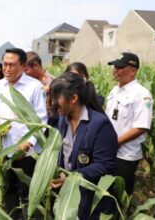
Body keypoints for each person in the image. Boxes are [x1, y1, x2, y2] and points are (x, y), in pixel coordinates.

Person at [0, 48, 47, 218]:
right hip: (5, 152)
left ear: (22, 65)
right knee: (9, 193)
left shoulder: (34, 87)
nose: (7, 68)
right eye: (5, 64)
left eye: (12, 65)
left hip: (28, 154)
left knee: (29, 196)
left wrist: (29, 143)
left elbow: (41, 121)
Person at [50, 72, 118, 219]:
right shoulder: (63, 120)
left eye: (56, 97)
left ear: (74, 98)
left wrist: (71, 177)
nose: (52, 103)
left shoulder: (100, 125)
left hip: (91, 199)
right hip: (67, 194)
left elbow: (104, 164)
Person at [106, 52, 153, 195]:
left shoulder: (142, 94)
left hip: (125, 156)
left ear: (133, 70)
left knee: (120, 195)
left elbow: (141, 127)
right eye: (114, 67)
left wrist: (117, 142)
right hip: (109, 151)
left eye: (119, 67)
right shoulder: (115, 90)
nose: (115, 70)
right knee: (106, 194)